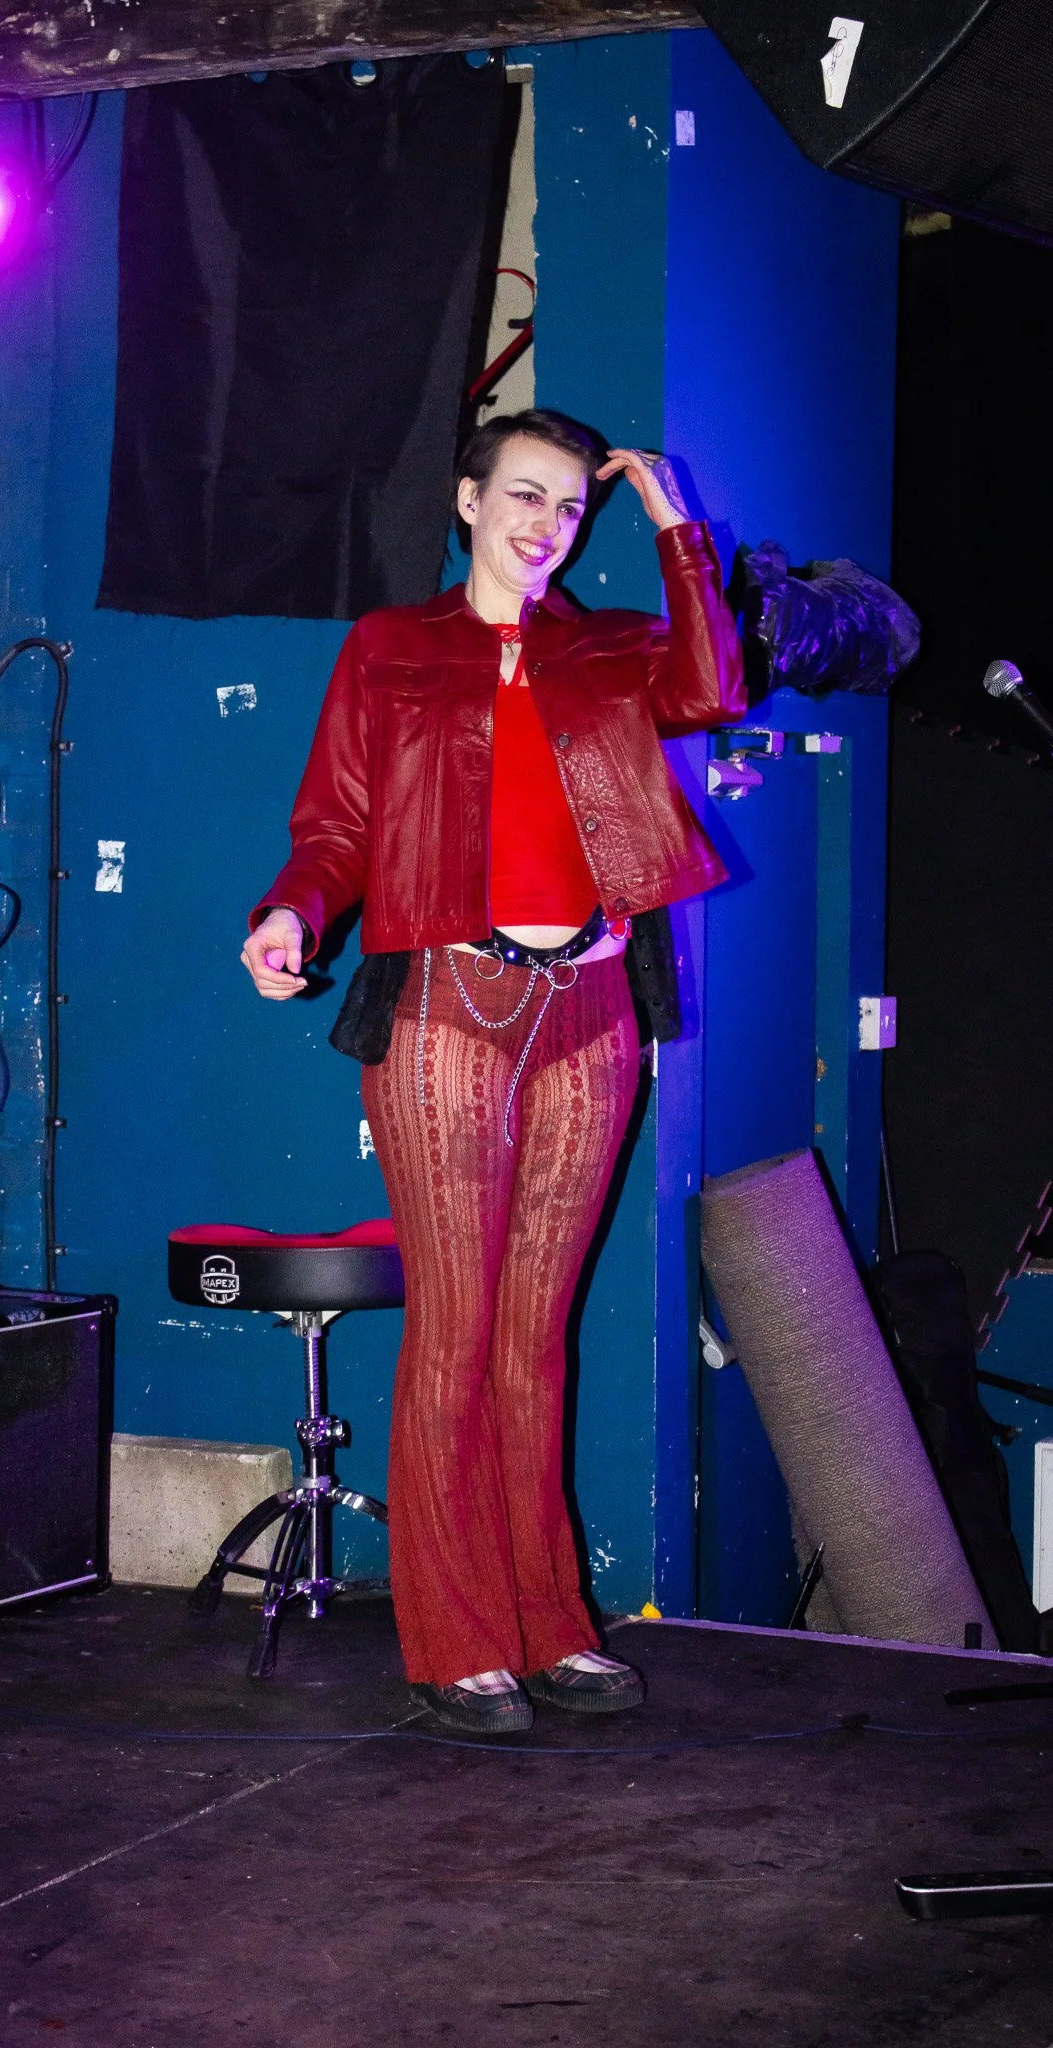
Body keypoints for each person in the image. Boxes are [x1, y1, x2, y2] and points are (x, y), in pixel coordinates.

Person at [243, 408, 744, 1734]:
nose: (546, 525)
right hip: (448, 1006)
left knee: (537, 1341)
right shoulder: (393, 649)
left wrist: (679, 531)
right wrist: (294, 913)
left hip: (590, 1007)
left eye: (571, 509)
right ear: (467, 501)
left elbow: (712, 691)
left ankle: (548, 1627)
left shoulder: (610, 646)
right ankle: (458, 1639)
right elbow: (336, 827)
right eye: (523, 496)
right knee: (458, 1336)